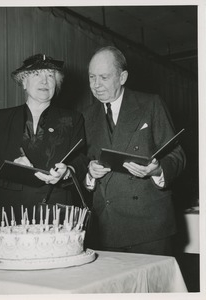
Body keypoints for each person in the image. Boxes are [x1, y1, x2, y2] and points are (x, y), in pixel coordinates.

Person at [83, 46, 186, 255]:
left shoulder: (151, 104)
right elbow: (83, 162)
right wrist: (90, 174)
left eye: (104, 77)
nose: (96, 85)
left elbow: (177, 155)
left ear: (122, 77)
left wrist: (157, 171)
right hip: (105, 229)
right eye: (92, 77)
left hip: (149, 228)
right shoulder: (86, 116)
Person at [0, 53, 87, 224]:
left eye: (50, 75)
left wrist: (67, 172)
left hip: (56, 214)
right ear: (23, 82)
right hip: (9, 214)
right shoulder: (2, 117)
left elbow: (82, 160)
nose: (44, 81)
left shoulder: (74, 119)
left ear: (56, 84)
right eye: (37, 74)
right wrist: (12, 169)